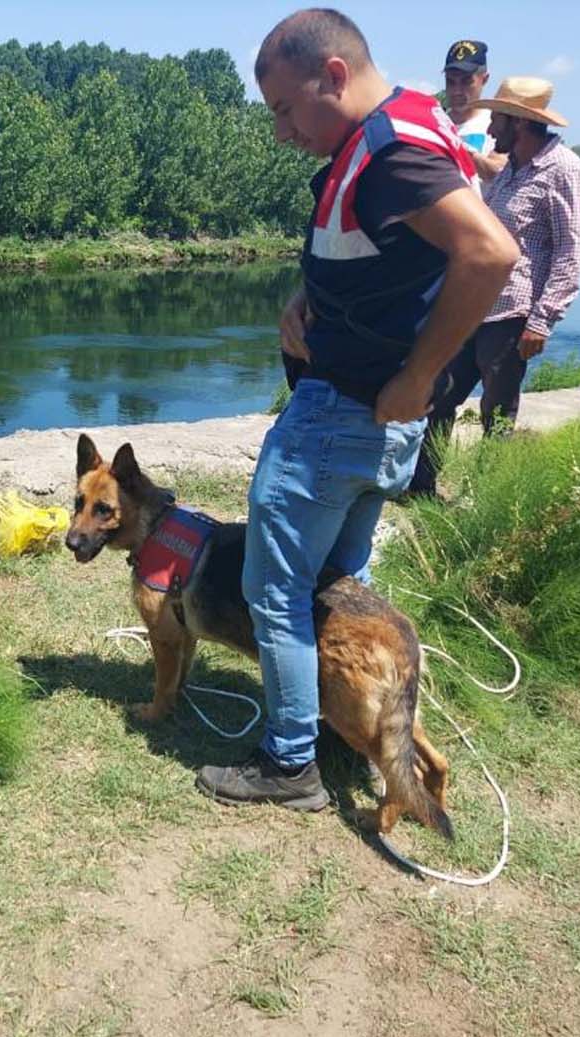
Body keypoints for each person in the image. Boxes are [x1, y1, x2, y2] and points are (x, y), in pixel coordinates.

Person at [195, 9, 517, 810]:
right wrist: (310, 299)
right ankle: (356, 730)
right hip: (366, 424)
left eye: (282, 108)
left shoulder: (389, 153)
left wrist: (420, 376)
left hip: (342, 418)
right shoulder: (403, 127)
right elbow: (397, 263)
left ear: (332, 77)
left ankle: (289, 763)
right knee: (341, 584)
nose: (280, 131)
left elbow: (489, 255)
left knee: (276, 591)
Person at [408, 77, 580, 499]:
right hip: (475, 307)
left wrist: (542, 322)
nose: (490, 130)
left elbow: (570, 251)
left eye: (497, 121)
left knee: (498, 414)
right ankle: (421, 489)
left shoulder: (564, 169)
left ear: (520, 123)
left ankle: (488, 500)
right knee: (439, 394)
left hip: (513, 315)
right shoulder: (511, 169)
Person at [442, 39, 506, 186]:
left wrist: (460, 150)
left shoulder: (496, 124)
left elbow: (500, 173)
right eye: (450, 82)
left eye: (466, 82)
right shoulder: (436, 124)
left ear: (485, 79)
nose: (457, 91)